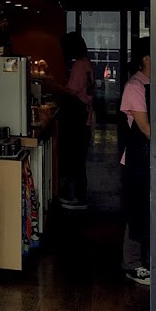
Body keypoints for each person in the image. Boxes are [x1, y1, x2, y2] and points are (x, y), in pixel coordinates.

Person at [120, 39, 151, 287]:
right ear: (146, 59)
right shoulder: (135, 86)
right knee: (137, 209)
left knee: (151, 209)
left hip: (153, 157)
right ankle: (132, 264)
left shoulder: (155, 84)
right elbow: (145, 128)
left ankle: (150, 260)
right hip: (138, 159)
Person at [55, 32, 95, 211]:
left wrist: (55, 85)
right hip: (85, 114)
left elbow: (72, 91)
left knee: (75, 158)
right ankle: (78, 196)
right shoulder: (87, 63)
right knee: (79, 157)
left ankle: (78, 198)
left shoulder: (78, 65)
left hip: (77, 115)